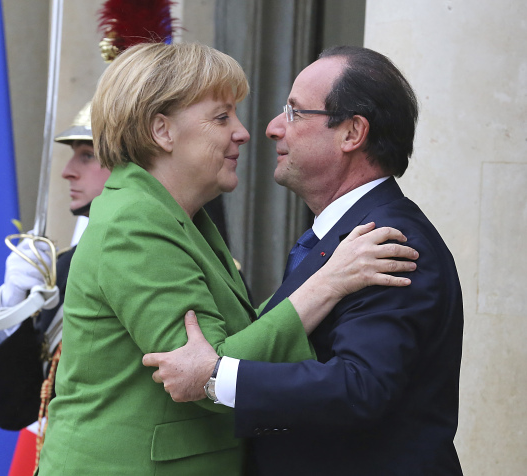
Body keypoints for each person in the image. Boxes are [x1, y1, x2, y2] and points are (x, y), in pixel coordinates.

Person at [36, 42, 418, 475]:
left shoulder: (177, 215)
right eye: (221, 117)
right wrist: (328, 283)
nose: (244, 132)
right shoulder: (135, 223)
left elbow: (225, 351)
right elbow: (205, 375)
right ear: (163, 131)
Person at [143, 45, 464, 476]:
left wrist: (217, 375)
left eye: (295, 113)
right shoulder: (343, 234)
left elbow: (361, 386)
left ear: (352, 133)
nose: (274, 128)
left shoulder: (388, 240)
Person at [0, 102, 111, 431]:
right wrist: (14, 305)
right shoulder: (66, 266)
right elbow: (15, 407)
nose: (67, 171)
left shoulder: (191, 260)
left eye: (87, 155)